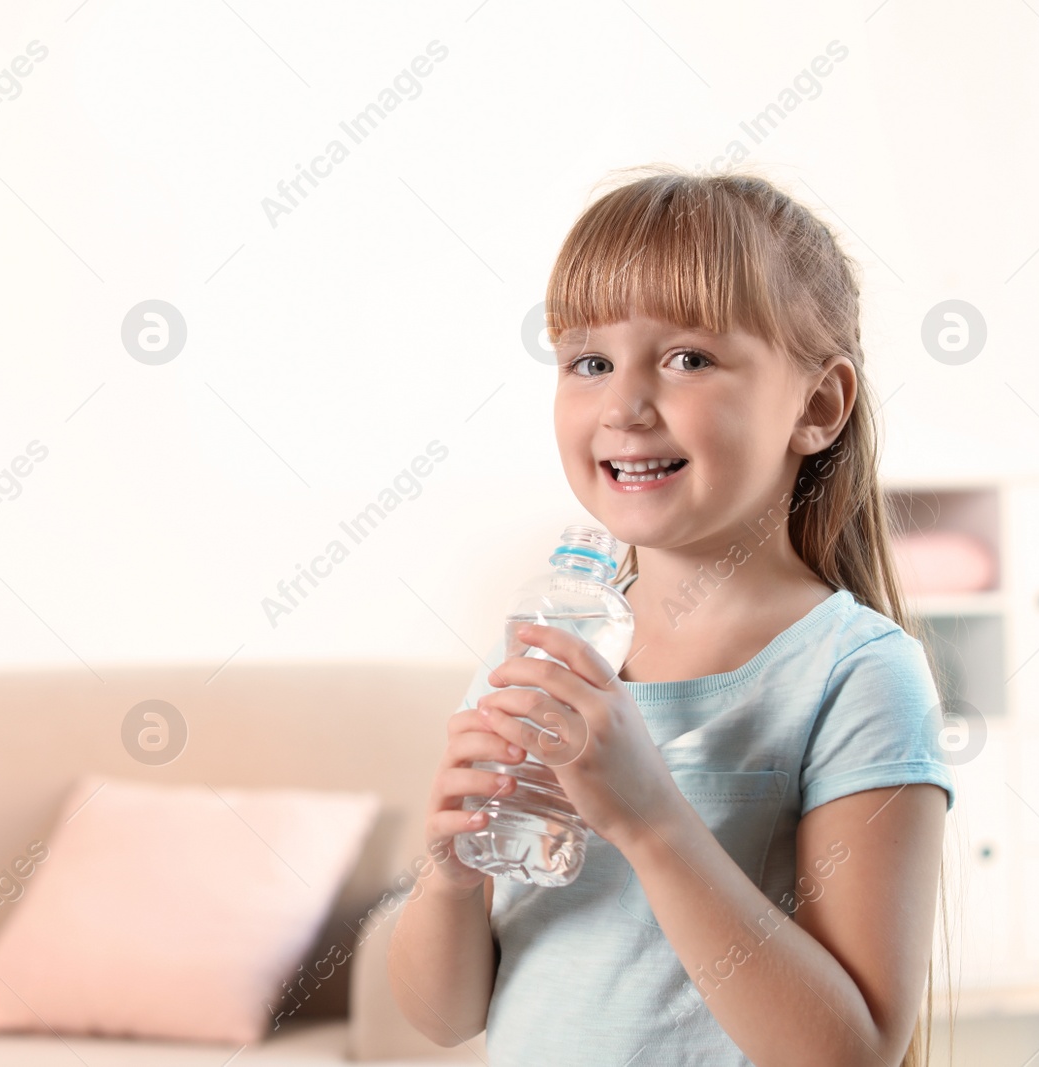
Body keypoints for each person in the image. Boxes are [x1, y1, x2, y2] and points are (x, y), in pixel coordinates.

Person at [388, 166, 956, 1066]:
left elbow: (850, 1052)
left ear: (817, 405)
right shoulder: (545, 653)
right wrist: (450, 876)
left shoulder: (855, 673)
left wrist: (649, 818)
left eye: (688, 357)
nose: (624, 405)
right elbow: (444, 1014)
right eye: (589, 362)